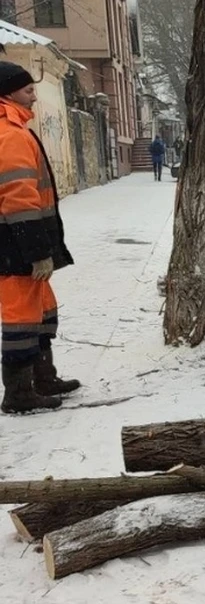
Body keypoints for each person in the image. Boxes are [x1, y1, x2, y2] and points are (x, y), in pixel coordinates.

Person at [0, 61, 80, 414]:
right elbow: (19, 198)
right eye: (28, 90)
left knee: (42, 310)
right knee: (21, 317)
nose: (34, 96)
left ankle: (43, 377)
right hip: (14, 246)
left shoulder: (15, 127)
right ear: (8, 93)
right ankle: (18, 394)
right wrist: (36, 253)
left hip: (20, 243)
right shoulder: (10, 134)